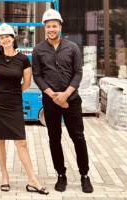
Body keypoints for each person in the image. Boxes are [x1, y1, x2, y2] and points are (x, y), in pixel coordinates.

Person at [0, 23, 49, 195]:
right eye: (1, 37)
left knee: (21, 141)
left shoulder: (23, 59)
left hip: (13, 103)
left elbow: (26, 82)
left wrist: (14, 91)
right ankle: (4, 176)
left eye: (7, 36)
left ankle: (32, 179)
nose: (5, 39)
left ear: (13, 38)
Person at [32, 9, 94, 193]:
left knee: (78, 137)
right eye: (48, 26)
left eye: (54, 26)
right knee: (54, 138)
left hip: (71, 100)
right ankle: (61, 174)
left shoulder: (72, 47)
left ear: (60, 27)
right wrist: (54, 96)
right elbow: (37, 76)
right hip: (51, 101)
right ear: (45, 28)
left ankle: (84, 175)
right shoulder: (38, 50)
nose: (51, 29)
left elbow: (78, 73)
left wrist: (65, 95)